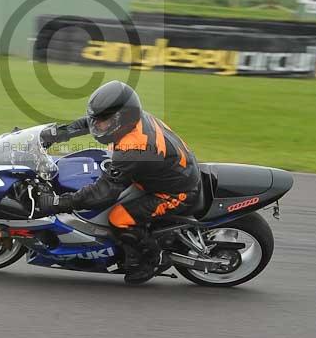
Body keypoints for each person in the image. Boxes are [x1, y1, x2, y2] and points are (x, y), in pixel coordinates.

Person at [37, 80, 201, 284]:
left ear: (122, 119)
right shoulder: (132, 121)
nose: (98, 125)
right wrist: (57, 133)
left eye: (104, 121)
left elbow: (104, 193)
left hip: (176, 193)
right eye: (98, 119)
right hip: (166, 172)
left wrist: (59, 203)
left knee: (118, 217)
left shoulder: (134, 148)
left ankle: (153, 259)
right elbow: (90, 122)